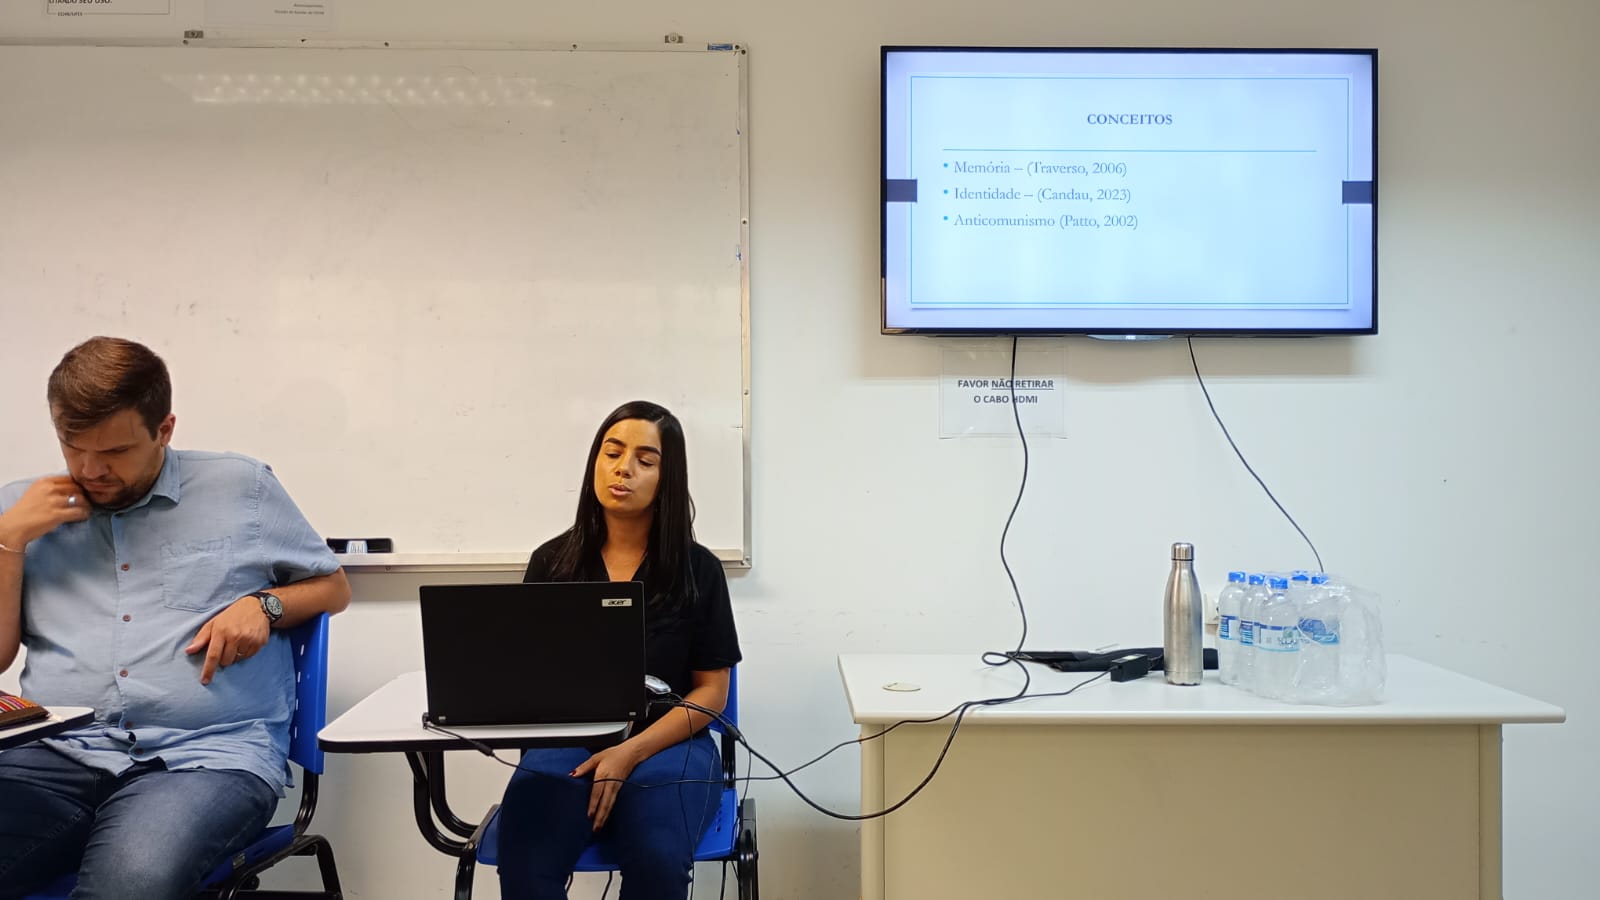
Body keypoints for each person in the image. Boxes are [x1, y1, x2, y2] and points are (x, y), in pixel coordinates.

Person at [0, 337, 351, 900]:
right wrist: (8, 541)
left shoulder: (240, 488)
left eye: (115, 451)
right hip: (58, 754)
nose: (90, 469)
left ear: (164, 429)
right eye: (71, 445)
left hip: (206, 756)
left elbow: (333, 588)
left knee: (130, 885)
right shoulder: (21, 511)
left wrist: (265, 604)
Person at [497, 401, 741, 900]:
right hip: (565, 741)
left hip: (670, 743)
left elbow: (712, 694)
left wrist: (628, 753)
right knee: (525, 860)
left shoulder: (699, 570)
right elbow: (529, 679)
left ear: (667, 478)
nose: (623, 468)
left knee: (657, 859)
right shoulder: (552, 562)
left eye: (645, 460)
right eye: (612, 453)